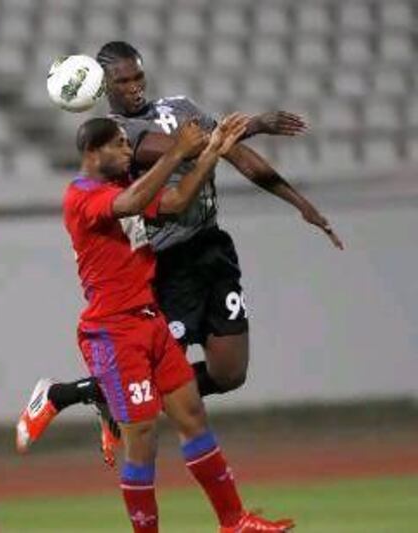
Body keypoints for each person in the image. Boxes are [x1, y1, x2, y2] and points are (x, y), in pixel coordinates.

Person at [17, 40, 343, 457]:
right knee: (153, 373)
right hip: (168, 263)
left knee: (229, 372)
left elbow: (238, 157)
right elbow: (190, 149)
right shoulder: (119, 136)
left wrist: (302, 205)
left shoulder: (181, 106)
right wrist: (255, 122)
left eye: (138, 76)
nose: (134, 86)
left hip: (213, 247)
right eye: (123, 80)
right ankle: (68, 394)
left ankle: (109, 399)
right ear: (104, 86)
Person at [46, 115, 292, 532]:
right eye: (119, 145)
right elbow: (128, 206)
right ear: (92, 152)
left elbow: (176, 201)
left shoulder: (123, 188)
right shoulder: (81, 196)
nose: (128, 151)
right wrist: (177, 149)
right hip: (114, 330)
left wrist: (211, 153)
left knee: (192, 412)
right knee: (142, 439)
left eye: (129, 143)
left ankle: (234, 521)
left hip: (150, 321)